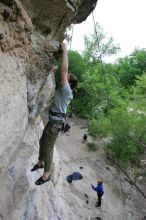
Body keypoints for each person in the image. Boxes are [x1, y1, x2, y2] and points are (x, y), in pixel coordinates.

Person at [31, 42, 78, 185]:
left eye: (66, 78)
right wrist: (52, 71)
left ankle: (46, 175)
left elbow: (63, 71)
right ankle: (40, 162)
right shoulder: (65, 91)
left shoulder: (66, 91)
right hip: (54, 122)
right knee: (42, 141)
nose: (63, 77)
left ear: (69, 83)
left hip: (55, 124)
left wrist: (65, 52)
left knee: (48, 147)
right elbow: (61, 73)